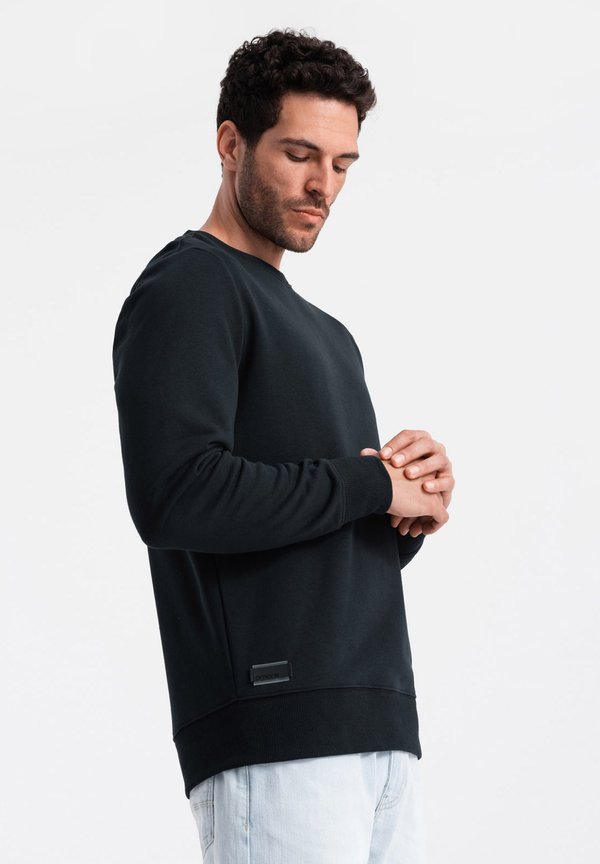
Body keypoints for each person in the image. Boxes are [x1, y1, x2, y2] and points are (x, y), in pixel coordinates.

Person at [112, 27, 454, 864]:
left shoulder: (330, 336)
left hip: (379, 723)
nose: (321, 185)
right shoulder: (191, 286)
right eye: (299, 154)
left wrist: (407, 504)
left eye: (341, 164)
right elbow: (177, 495)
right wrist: (369, 486)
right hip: (276, 732)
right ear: (232, 143)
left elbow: (314, 529)